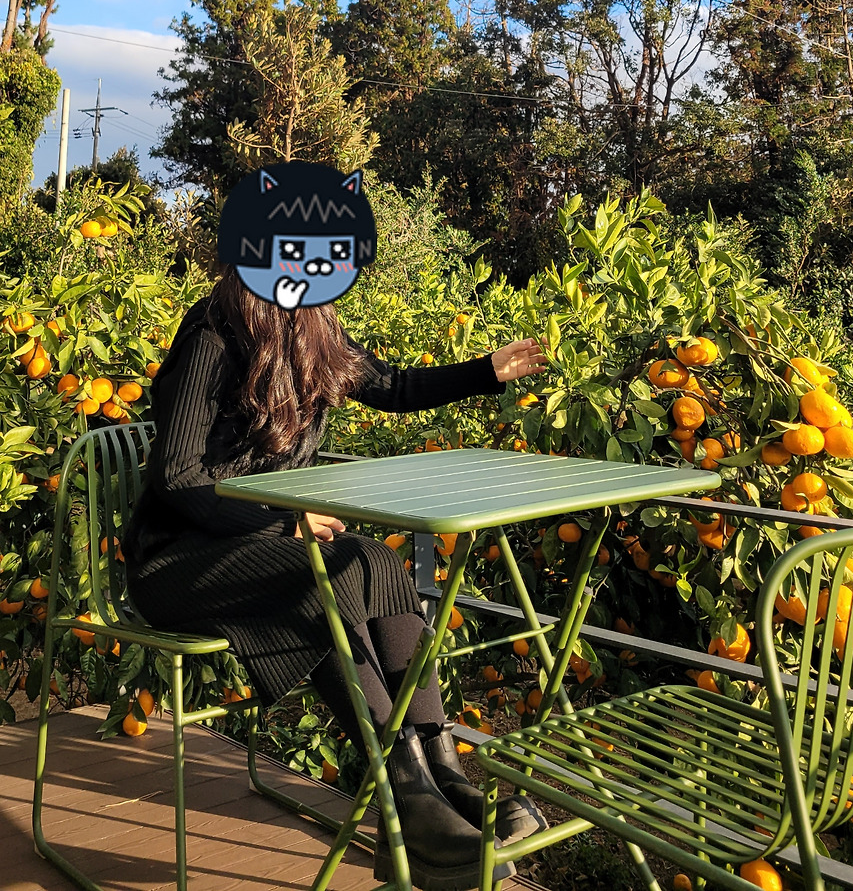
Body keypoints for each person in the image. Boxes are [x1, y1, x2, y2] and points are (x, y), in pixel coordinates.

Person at [123, 266, 551, 890]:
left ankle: (442, 775)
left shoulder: (316, 330)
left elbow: (393, 386)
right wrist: (282, 520)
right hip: (177, 560)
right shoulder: (212, 337)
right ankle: (405, 796)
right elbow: (178, 477)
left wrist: (486, 370)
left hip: (260, 547)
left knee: (375, 562)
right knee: (318, 582)